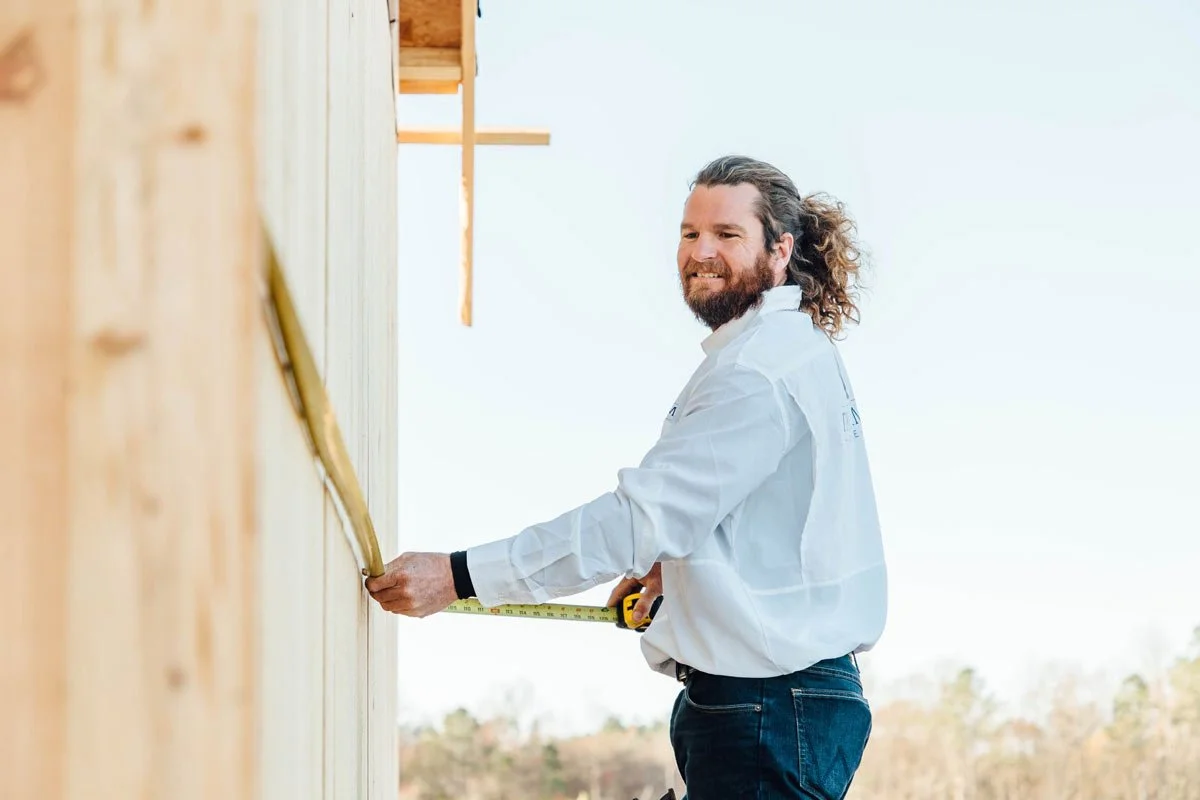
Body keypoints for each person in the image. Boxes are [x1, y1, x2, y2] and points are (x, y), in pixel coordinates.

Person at [366, 155, 888, 799]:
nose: (702, 252)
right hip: (776, 702)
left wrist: (460, 576)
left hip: (767, 708)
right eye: (690, 232)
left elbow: (638, 520)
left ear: (780, 251)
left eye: (728, 235)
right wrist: (672, 570)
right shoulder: (788, 354)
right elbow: (766, 522)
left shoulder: (758, 371)